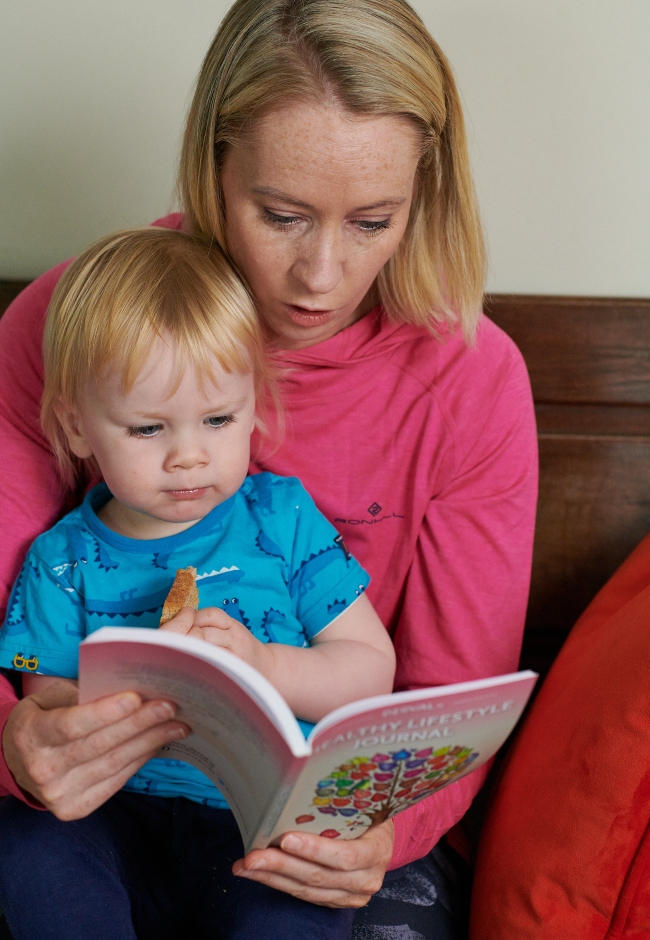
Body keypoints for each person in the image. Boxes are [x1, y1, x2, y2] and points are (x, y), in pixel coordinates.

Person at [0, 0, 538, 936]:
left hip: (324, 837)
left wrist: (375, 834)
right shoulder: (73, 325)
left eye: (374, 221)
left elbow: (448, 713)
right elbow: (25, 665)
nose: (321, 276)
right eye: (281, 215)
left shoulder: (471, 378)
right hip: (96, 815)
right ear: (215, 165)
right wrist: (18, 746)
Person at [0, 226, 396, 939]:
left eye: (218, 419)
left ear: (255, 403)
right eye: (148, 429)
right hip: (114, 816)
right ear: (78, 426)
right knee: (25, 847)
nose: (189, 456)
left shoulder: (283, 520)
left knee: (297, 902)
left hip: (258, 819)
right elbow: (46, 697)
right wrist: (98, 710)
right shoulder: (59, 559)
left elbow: (371, 669)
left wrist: (265, 664)